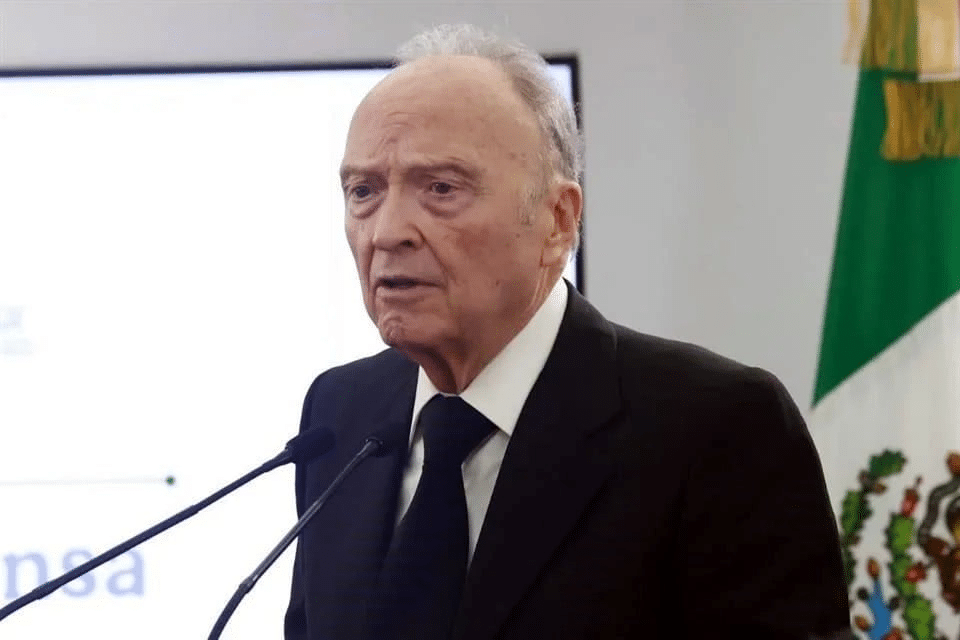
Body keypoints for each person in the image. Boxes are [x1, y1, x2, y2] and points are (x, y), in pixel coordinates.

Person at [284, 24, 851, 640]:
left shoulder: (715, 428)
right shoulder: (340, 416)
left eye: (441, 188)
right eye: (363, 191)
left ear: (557, 220)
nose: (387, 231)